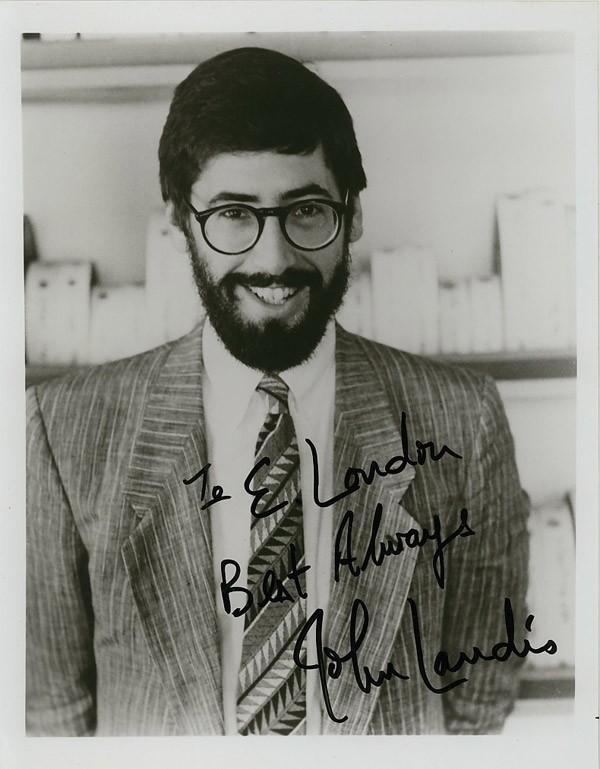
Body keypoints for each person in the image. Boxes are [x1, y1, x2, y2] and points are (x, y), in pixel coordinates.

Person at [26, 47, 530, 737]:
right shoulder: (64, 429)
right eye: (234, 213)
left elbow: (479, 694)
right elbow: (54, 714)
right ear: (179, 223)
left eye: (307, 210)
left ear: (352, 215)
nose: (273, 259)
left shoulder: (463, 419)